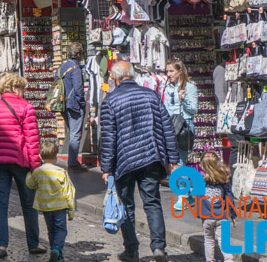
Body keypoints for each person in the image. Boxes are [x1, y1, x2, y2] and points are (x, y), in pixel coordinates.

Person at [100, 61, 179, 262]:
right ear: (132, 76)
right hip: (150, 157)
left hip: (124, 161)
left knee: (126, 205)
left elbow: (109, 138)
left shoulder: (110, 101)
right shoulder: (151, 95)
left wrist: (106, 168)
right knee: (152, 202)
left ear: (115, 78)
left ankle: (131, 249)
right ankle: (158, 248)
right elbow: (167, 128)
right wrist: (173, 159)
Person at [0, 72, 46, 259]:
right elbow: (32, 140)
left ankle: (1, 245)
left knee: (0, 203)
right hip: (20, 161)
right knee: (28, 204)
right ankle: (33, 243)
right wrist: (35, 166)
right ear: (13, 87)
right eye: (21, 87)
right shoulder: (26, 107)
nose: (23, 91)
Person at [25, 140, 76, 262]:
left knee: (51, 230)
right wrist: (71, 210)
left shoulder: (38, 172)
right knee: (61, 229)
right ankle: (56, 249)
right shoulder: (61, 172)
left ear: (41, 156)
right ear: (56, 156)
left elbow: (30, 184)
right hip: (60, 206)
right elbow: (69, 191)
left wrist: (28, 174)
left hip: (45, 207)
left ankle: (57, 255)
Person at [163, 58, 197, 211]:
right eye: (167, 71)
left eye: (171, 71)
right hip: (170, 126)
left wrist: (183, 100)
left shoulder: (189, 87)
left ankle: (182, 196)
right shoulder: (167, 87)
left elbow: (194, 110)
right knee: (172, 161)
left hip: (184, 126)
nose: (168, 74)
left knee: (179, 161)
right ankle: (187, 193)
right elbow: (166, 108)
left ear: (180, 71)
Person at [197, 152, 236, 262]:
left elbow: (198, 199)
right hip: (222, 216)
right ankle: (229, 260)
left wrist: (199, 213)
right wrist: (232, 215)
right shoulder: (224, 181)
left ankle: (210, 260)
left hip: (207, 217)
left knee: (208, 240)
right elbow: (230, 199)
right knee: (224, 241)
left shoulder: (200, 182)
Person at [57, 42, 88, 172]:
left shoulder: (62, 67)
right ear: (78, 54)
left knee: (72, 132)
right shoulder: (75, 68)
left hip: (63, 104)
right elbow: (78, 89)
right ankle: (73, 163)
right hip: (74, 105)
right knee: (75, 134)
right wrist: (82, 104)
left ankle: (73, 162)